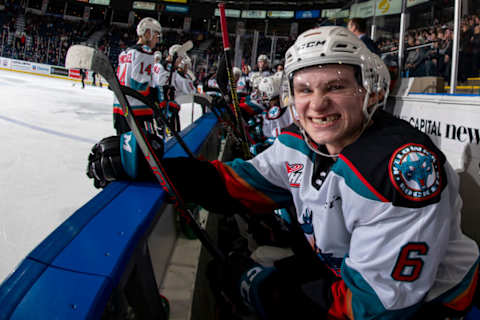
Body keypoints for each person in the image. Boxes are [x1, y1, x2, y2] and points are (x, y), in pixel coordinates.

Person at [87, 26, 479, 319]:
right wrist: (158, 168)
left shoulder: (400, 170)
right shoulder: (299, 143)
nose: (318, 104)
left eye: (336, 86)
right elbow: (238, 185)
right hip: (351, 274)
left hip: (429, 306)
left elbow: (374, 308)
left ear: (370, 90)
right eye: (305, 89)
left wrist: (263, 291)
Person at [113, 17, 162, 135]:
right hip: (137, 111)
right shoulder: (144, 52)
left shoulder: (125, 52)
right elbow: (139, 85)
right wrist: (155, 94)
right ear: (148, 33)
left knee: (124, 147)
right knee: (144, 150)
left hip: (119, 108)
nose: (157, 40)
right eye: (156, 35)